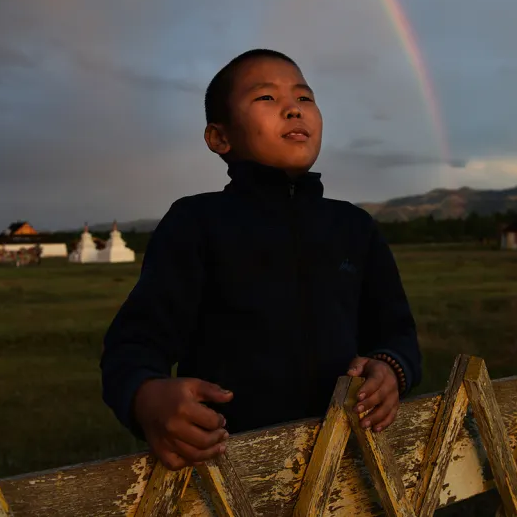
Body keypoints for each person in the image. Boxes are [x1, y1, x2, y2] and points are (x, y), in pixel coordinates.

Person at [100, 49, 421, 470]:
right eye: (266, 98)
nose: (293, 109)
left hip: (349, 467)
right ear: (219, 137)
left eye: (305, 98)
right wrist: (147, 396)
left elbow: (397, 334)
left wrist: (389, 370)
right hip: (231, 471)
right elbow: (134, 344)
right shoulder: (196, 223)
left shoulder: (355, 227)